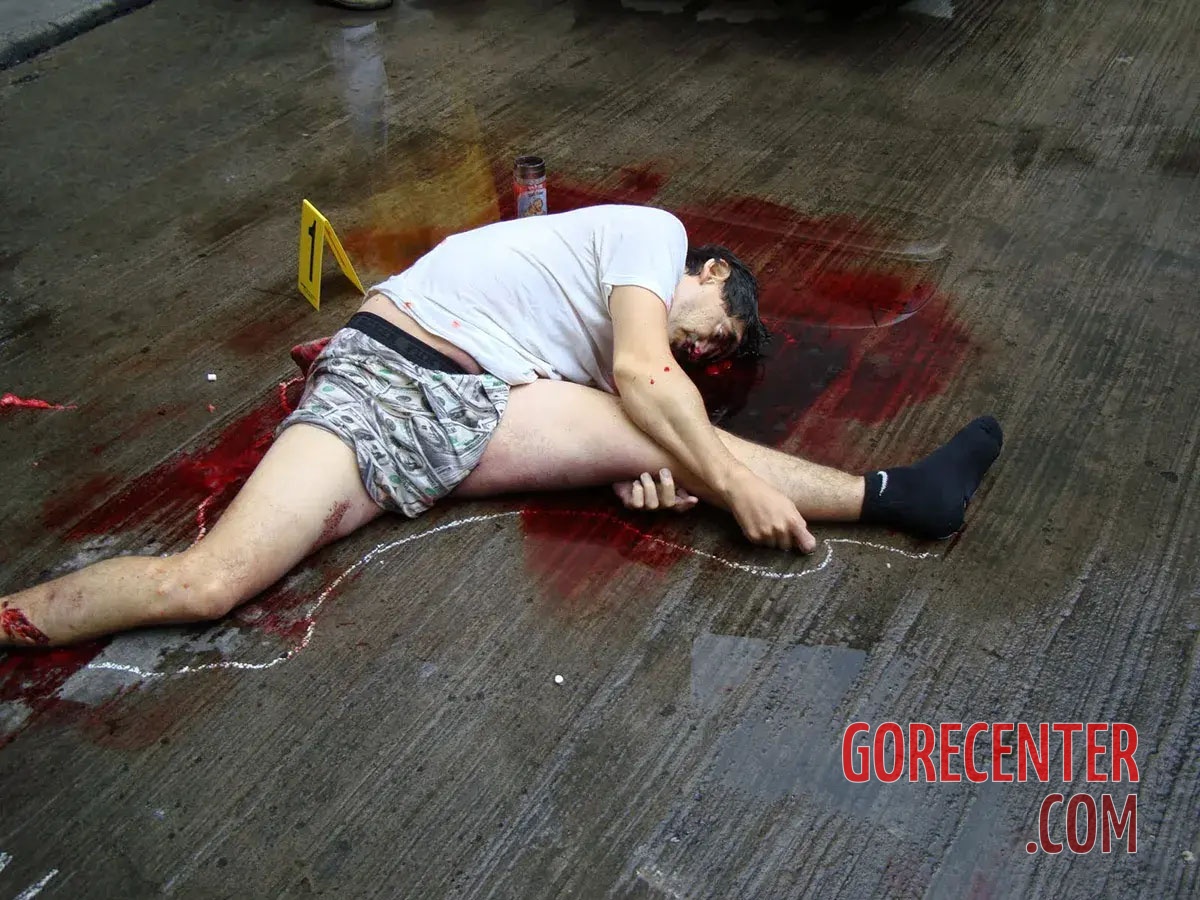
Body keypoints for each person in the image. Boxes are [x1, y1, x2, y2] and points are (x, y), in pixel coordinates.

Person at [0, 204, 1002, 649]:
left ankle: (898, 496)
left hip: (478, 401)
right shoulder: (650, 240)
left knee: (656, 441)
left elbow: (637, 400)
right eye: (719, 327)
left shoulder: (594, 348)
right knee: (206, 584)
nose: (707, 348)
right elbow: (647, 373)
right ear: (706, 272)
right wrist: (728, 479)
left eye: (717, 352)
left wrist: (644, 466)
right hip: (390, 377)